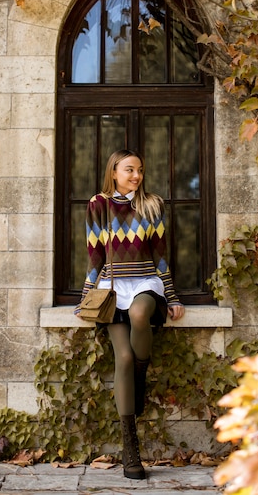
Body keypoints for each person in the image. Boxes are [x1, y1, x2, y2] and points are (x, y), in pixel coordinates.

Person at [74, 149, 185, 480]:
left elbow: (160, 255)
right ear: (114, 173)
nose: (136, 175)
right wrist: (85, 296)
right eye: (129, 170)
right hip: (110, 288)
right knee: (121, 357)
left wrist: (173, 294)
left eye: (139, 170)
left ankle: (141, 373)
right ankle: (129, 446)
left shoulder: (152, 205)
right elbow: (94, 255)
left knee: (140, 314)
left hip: (146, 283)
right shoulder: (99, 205)